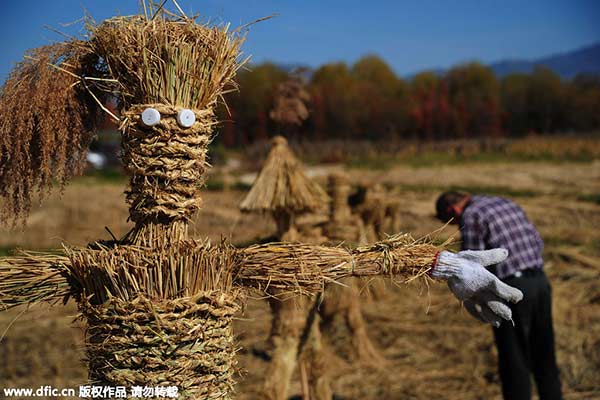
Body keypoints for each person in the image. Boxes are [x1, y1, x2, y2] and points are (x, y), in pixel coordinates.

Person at [435, 191, 562, 400]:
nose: (457, 225)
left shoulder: (471, 215)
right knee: (544, 352)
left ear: (453, 210)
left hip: (510, 287)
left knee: (514, 358)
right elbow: (538, 242)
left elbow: (472, 268)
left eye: (453, 221)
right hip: (540, 282)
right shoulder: (504, 202)